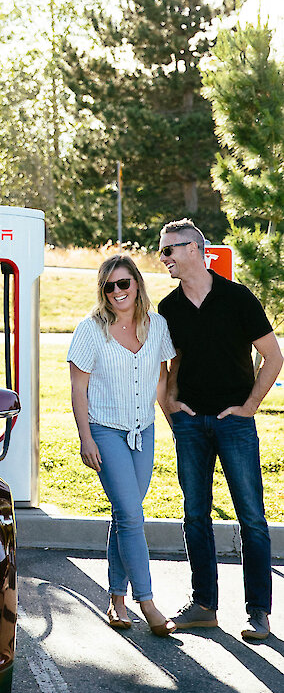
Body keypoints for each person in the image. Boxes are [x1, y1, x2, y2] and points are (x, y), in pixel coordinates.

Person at [157, 218, 282, 642]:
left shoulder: (237, 298)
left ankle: (259, 613)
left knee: (252, 518)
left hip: (235, 425)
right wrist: (171, 407)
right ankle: (204, 605)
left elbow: (273, 357)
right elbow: (171, 366)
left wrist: (249, 407)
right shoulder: (168, 309)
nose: (164, 259)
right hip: (191, 425)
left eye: (168, 250)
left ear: (193, 249)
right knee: (195, 515)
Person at [68, 253, 176, 635]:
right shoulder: (90, 329)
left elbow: (161, 383)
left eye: (124, 284)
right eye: (109, 286)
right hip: (105, 431)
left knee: (124, 513)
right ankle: (146, 601)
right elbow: (78, 389)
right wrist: (85, 437)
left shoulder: (157, 327)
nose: (117, 291)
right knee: (132, 516)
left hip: (142, 432)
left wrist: (173, 424)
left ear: (137, 286)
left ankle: (116, 599)